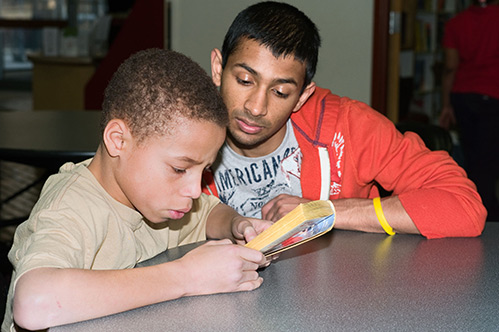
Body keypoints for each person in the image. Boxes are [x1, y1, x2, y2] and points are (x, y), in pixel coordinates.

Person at [2, 48, 272, 331]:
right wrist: (187, 276)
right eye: (180, 169)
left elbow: (209, 212)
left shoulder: (161, 199)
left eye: (204, 171)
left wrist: (238, 224)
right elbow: (33, 303)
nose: (194, 190)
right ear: (118, 141)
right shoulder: (71, 208)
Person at [202, 1, 487, 239]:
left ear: (302, 96)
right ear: (218, 69)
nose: (256, 107)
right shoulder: (181, 132)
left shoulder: (347, 127)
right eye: (244, 80)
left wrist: (326, 211)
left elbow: (465, 207)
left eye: (280, 92)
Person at [439, 0, 499, 221]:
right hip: (493, 96)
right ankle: (480, 217)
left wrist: (446, 105)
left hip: (463, 97)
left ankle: (482, 213)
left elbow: (450, 67)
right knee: (487, 164)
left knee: (475, 160)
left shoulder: (456, 23)